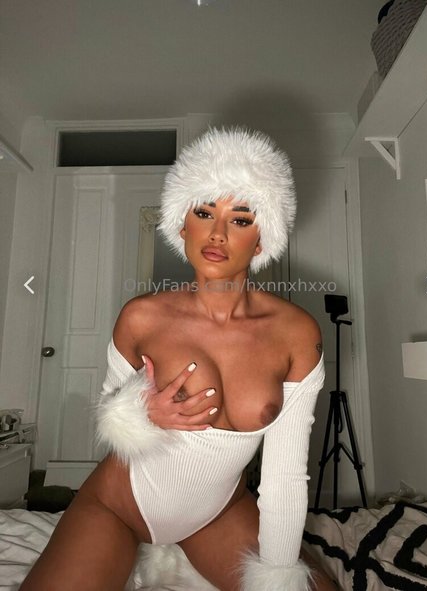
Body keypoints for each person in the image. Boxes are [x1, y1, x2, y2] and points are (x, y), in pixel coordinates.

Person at [20, 127, 334, 591]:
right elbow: (110, 412)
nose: (217, 233)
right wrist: (140, 412)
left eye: (240, 219)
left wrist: (278, 573)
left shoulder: (296, 334)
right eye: (204, 213)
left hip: (217, 514)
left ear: (263, 240)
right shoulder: (141, 317)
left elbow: (285, 474)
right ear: (182, 225)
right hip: (117, 507)